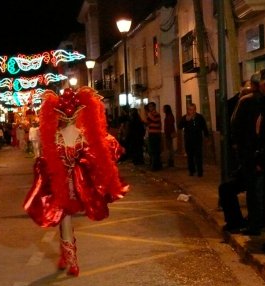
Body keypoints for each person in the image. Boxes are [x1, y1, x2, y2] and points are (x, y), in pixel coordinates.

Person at [24, 88, 129, 276]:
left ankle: (72, 262)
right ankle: (67, 258)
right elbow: (98, 152)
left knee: (64, 218)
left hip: (62, 182)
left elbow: (45, 160)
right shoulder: (82, 135)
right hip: (78, 183)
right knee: (64, 218)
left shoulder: (55, 137)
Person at [231, 72, 264, 235]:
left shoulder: (248, 102)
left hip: (253, 155)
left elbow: (238, 129)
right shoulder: (255, 101)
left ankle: (255, 224)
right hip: (255, 154)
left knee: (254, 192)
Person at [178, 103, 210, 177]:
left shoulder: (200, 117)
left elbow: (204, 127)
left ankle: (200, 172)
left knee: (198, 156)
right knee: (190, 156)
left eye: (192, 109)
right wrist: (185, 120)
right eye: (189, 109)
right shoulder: (185, 118)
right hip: (188, 140)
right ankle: (191, 171)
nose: (191, 111)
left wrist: (207, 137)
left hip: (198, 140)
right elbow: (179, 126)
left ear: (195, 110)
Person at [145, 102, 162, 170]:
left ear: (154, 107)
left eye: (151, 107)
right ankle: (154, 164)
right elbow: (147, 122)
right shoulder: (150, 115)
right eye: (149, 107)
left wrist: (149, 115)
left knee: (156, 150)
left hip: (156, 134)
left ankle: (156, 166)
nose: (150, 108)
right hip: (151, 134)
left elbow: (154, 119)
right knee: (152, 150)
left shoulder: (157, 114)